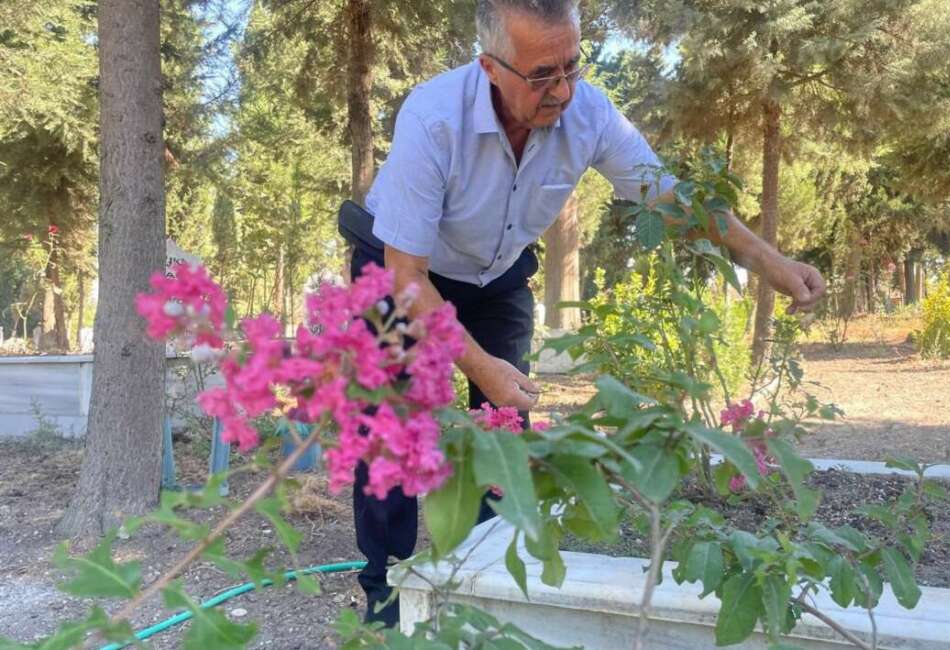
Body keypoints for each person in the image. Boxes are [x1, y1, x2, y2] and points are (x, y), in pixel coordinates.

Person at [343, 0, 826, 627]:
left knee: (502, 431)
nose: (563, 90)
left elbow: (673, 197)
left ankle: (482, 582)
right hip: (406, 270)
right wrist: (481, 365)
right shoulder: (434, 118)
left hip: (497, 273)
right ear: (491, 67)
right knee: (389, 426)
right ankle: (384, 596)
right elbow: (407, 277)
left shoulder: (588, 111)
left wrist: (771, 261)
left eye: (572, 65)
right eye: (542, 75)